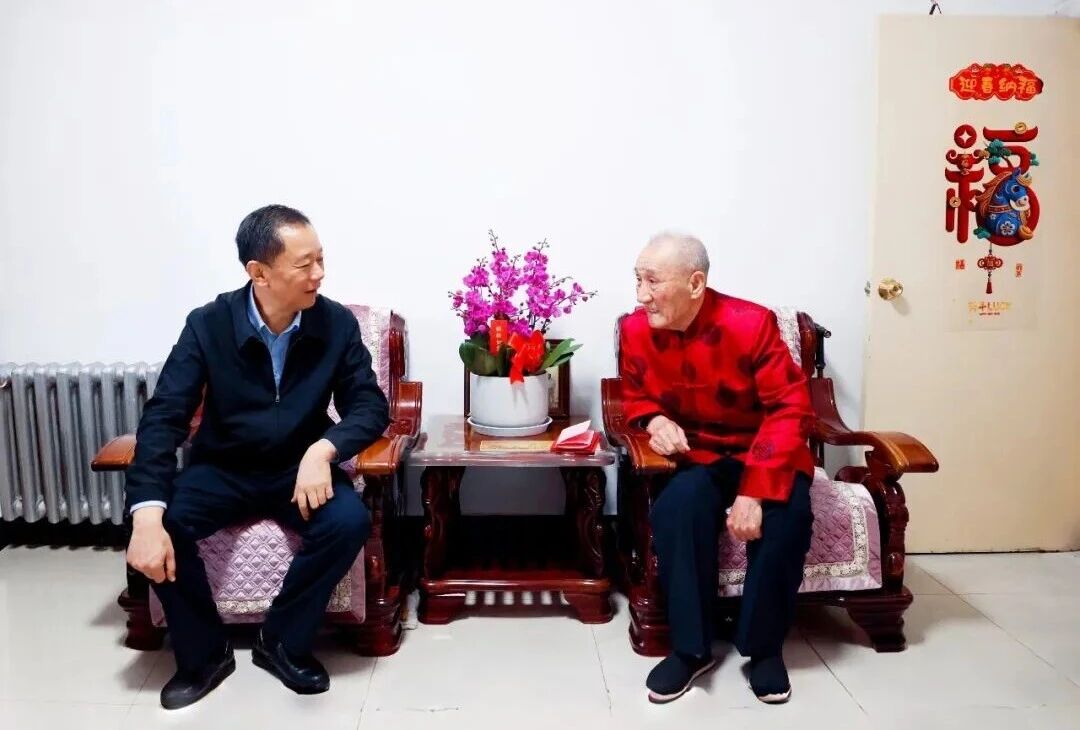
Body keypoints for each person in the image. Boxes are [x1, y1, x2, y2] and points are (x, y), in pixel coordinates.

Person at [124, 204, 389, 709]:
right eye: (304, 264)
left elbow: (370, 405)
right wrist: (147, 514)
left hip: (298, 469)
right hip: (222, 467)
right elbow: (164, 416)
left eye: (321, 259)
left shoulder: (334, 323)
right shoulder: (208, 325)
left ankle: (282, 641)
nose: (319, 274)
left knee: (348, 521)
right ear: (259, 272)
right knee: (164, 521)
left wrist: (324, 449)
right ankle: (204, 655)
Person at [620, 232, 815, 704]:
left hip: (765, 451)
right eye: (637, 280)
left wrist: (754, 491)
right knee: (676, 510)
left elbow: (790, 408)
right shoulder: (635, 329)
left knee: (786, 519)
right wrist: (655, 420)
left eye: (652, 281)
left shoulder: (751, 323)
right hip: (701, 454)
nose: (641, 295)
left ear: (695, 283)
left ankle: (764, 649)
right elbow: (633, 394)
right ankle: (691, 649)